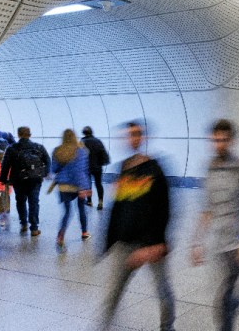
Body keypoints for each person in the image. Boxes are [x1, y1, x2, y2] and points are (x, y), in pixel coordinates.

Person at [101, 121, 174, 331]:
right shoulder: (123, 167)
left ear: (143, 138)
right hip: (125, 243)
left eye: (135, 135)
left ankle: (167, 327)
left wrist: (157, 243)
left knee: (163, 290)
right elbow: (119, 207)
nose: (131, 139)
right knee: (113, 292)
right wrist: (110, 240)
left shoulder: (155, 169)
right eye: (128, 135)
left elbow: (164, 208)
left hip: (150, 244)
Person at [192, 119, 239, 331]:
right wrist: (196, 241)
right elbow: (207, 208)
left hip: (238, 242)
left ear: (231, 140)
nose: (219, 144)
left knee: (224, 296)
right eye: (215, 140)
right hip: (218, 244)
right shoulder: (209, 168)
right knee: (228, 291)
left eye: (223, 140)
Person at [0, 126, 51, 236]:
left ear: (18, 135)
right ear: (30, 134)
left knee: (20, 201)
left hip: (18, 179)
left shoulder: (12, 148)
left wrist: (3, 178)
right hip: (35, 179)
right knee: (34, 202)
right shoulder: (38, 147)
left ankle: (23, 224)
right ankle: (34, 228)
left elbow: (5, 164)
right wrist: (44, 173)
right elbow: (47, 161)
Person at [51, 129, 92, 249]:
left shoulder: (57, 151)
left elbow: (54, 169)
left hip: (63, 186)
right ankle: (84, 232)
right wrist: (84, 188)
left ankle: (61, 235)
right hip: (78, 186)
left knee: (67, 212)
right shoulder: (81, 151)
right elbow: (80, 171)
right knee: (81, 209)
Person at [81, 126, 111, 210]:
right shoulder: (98, 141)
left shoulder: (82, 142)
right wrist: (101, 163)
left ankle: (89, 201)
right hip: (97, 167)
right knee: (98, 184)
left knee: (88, 185)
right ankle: (100, 202)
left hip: (86, 168)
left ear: (84, 133)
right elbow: (103, 153)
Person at [0, 150, 11, 229]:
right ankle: (6, 213)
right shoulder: (7, 167)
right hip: (6, 188)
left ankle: (1, 218)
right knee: (6, 201)